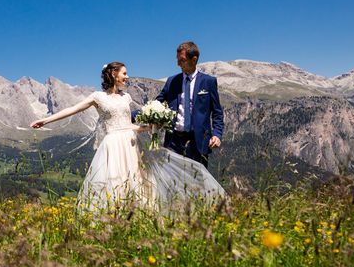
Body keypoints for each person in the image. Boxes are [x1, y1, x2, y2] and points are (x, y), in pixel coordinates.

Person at [31, 61, 225, 214]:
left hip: (131, 144)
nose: (127, 76)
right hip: (112, 145)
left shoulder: (126, 98)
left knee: (137, 181)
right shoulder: (98, 97)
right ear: (114, 75)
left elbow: (128, 125)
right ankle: (112, 217)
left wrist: (150, 126)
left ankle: (137, 216)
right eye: (124, 73)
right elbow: (72, 109)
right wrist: (46, 120)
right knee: (114, 182)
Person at [156, 41, 224, 167]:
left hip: (199, 142)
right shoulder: (172, 81)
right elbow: (156, 104)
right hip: (173, 141)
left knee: (197, 183)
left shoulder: (208, 82)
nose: (178, 64)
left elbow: (217, 112)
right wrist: (129, 114)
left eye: (181, 60)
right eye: (177, 60)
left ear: (194, 59)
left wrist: (217, 134)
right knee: (172, 182)